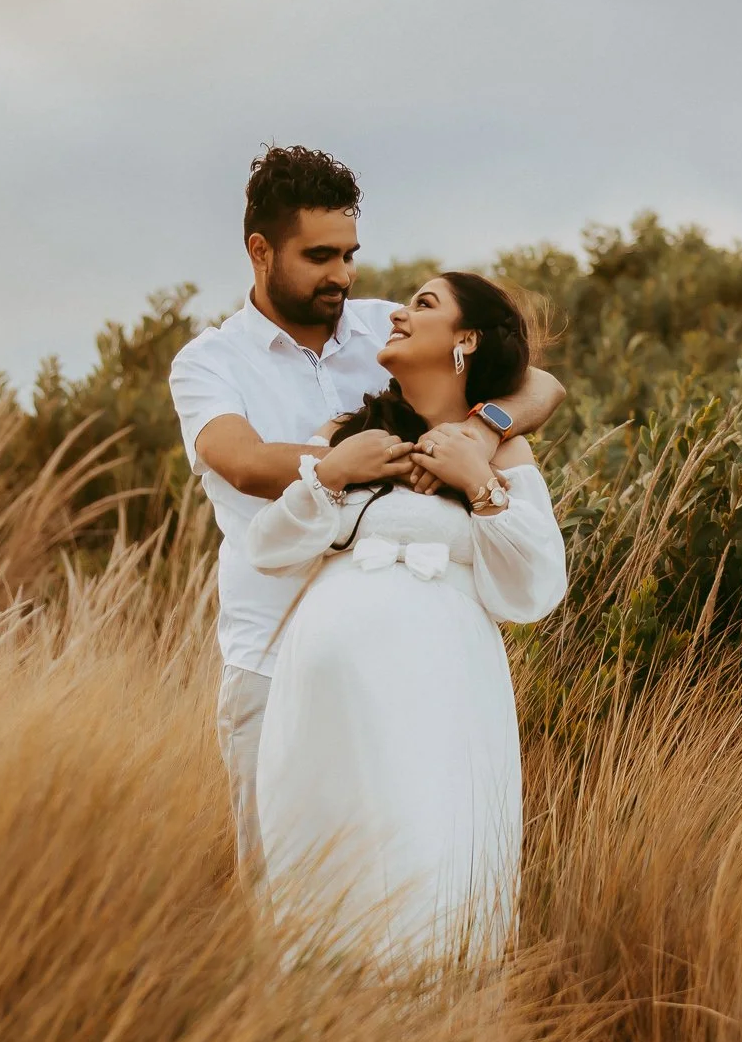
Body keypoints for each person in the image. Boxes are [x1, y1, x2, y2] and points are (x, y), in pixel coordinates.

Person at [169, 147, 565, 879]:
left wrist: (478, 433)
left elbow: (538, 382)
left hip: (403, 668)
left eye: (350, 254)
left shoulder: (386, 329)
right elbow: (244, 462)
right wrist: (341, 466)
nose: (343, 277)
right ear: (261, 250)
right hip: (272, 654)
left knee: (416, 863)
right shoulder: (210, 362)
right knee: (286, 885)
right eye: (320, 256)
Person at [242, 272, 566, 959]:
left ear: (466, 340)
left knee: (430, 869)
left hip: (436, 701)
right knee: (321, 890)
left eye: (423, 304)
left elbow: (536, 586)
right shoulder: (349, 434)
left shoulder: (501, 449)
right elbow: (267, 549)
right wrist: (332, 471)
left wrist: (476, 480)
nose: (398, 312)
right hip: (321, 713)